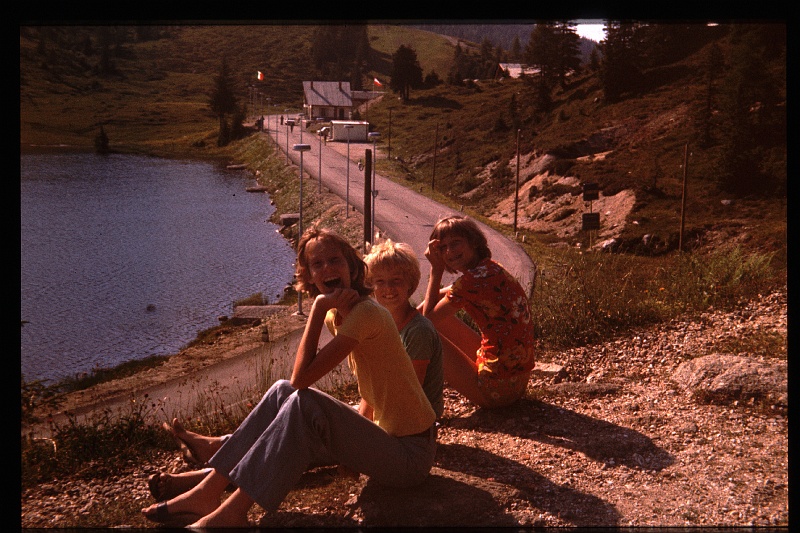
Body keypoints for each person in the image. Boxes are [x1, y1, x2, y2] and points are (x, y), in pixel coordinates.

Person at [141, 226, 437, 527]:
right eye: (317, 264)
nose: (327, 269)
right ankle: (206, 491)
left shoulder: (365, 314)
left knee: (300, 401)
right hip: (384, 435)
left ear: (352, 265)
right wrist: (324, 311)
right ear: (307, 275)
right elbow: (364, 386)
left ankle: (232, 512)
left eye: (335, 260)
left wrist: (319, 308)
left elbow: (302, 379)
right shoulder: (340, 315)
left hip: (410, 455)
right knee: (282, 391)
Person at [421, 215, 535, 409]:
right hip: (516, 383)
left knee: (423, 333)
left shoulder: (470, 282)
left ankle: (419, 405)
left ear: (473, 242)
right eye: (443, 248)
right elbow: (448, 292)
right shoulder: (490, 269)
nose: (449, 251)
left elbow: (427, 318)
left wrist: (436, 270)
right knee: (423, 322)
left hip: (495, 391)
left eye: (455, 243)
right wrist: (402, 318)